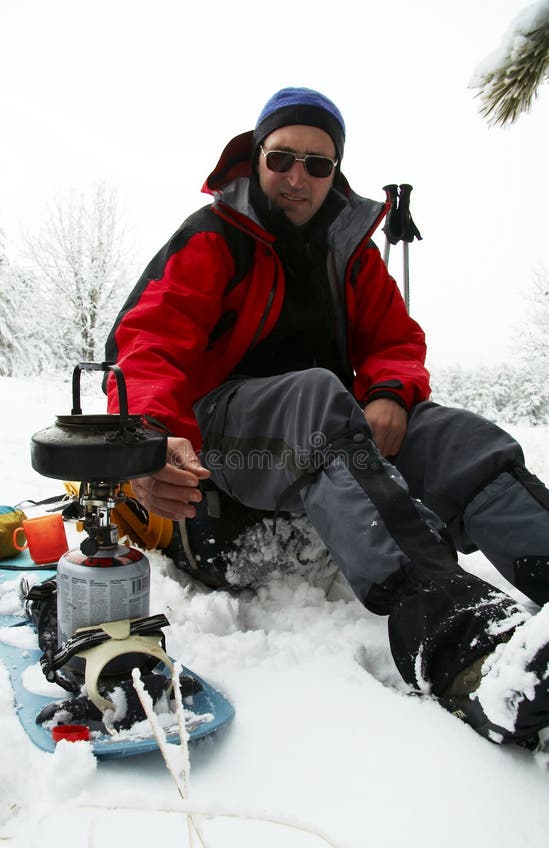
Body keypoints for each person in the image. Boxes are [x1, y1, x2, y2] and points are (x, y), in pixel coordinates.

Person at [105, 86, 549, 749]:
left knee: (455, 437)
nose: (298, 177)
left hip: (328, 434)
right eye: (283, 157)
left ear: (334, 172)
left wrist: (392, 393)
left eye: (319, 164)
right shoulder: (211, 239)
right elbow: (148, 345)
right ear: (255, 158)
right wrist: (149, 438)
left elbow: (394, 341)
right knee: (315, 395)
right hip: (221, 444)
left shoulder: (352, 255)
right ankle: (462, 644)